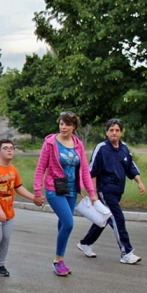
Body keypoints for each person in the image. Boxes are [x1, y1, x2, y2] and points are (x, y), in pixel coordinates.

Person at [34, 111, 98, 277]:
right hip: (54, 188)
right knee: (69, 223)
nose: (63, 127)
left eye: (67, 124)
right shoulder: (50, 143)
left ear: (74, 126)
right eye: (61, 123)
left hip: (71, 190)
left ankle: (60, 257)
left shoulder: (78, 143)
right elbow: (41, 168)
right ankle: (58, 260)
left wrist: (91, 192)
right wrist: (37, 191)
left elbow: (84, 169)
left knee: (63, 224)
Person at [77, 118, 146, 264]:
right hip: (104, 191)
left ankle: (85, 243)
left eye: (117, 130)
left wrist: (139, 181)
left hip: (117, 191)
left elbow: (131, 167)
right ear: (106, 132)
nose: (114, 133)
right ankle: (126, 252)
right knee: (117, 218)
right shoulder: (101, 148)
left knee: (104, 218)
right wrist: (93, 193)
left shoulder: (124, 148)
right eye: (111, 130)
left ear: (121, 132)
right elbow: (92, 170)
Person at [0, 139, 40, 277]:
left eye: (11, 148)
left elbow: (19, 187)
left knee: (5, 238)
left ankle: (0, 265)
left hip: (8, 210)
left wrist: (33, 198)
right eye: (5, 148)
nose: (10, 150)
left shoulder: (13, 170)